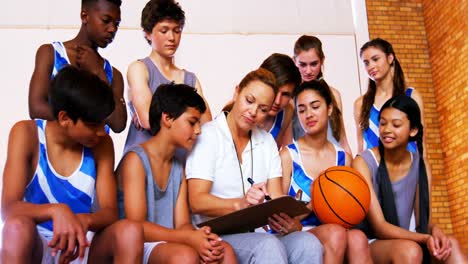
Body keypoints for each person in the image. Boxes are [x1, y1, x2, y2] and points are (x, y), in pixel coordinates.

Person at [1, 66, 143, 263]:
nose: (102, 132)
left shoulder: (101, 144)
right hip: (38, 243)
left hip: (82, 244)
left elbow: (110, 212)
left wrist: (85, 220)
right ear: (64, 118)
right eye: (94, 125)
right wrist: (56, 210)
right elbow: (8, 208)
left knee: (131, 231)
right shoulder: (26, 133)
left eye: (103, 124)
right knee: (16, 227)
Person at [186, 68, 323, 264]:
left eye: (263, 109)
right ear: (236, 92)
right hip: (216, 233)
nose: (253, 112)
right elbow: (197, 201)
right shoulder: (208, 136)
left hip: (260, 234)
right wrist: (240, 203)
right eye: (249, 101)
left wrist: (292, 216)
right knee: (267, 245)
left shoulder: (267, 142)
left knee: (308, 243)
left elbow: (275, 197)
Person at [116, 83, 237, 264]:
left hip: (169, 240)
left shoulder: (178, 167)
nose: (198, 130)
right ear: (168, 118)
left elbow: (182, 224)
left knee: (223, 250)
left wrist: (201, 239)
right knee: (185, 257)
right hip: (135, 243)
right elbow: (137, 227)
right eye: (192, 122)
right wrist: (189, 239)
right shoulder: (135, 160)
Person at [352, 95, 466, 263]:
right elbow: (379, 227)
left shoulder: (421, 165)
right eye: (382, 123)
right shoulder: (363, 162)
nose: (386, 130)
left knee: (452, 245)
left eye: (396, 124)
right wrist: (425, 239)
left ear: (413, 130)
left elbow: (424, 221)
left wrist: (435, 231)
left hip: (411, 239)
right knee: (410, 251)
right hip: (375, 242)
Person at [280, 80, 372, 264]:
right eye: (302, 109)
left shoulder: (343, 158)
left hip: (336, 229)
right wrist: (317, 201)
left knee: (358, 238)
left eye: (315, 106)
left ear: (329, 109)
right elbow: (280, 213)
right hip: (299, 231)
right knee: (336, 233)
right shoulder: (288, 155)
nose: (309, 115)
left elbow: (351, 208)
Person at [124, 0, 212, 154]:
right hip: (141, 161)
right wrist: (187, 121)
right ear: (148, 33)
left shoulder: (190, 79)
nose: (172, 37)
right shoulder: (139, 68)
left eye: (177, 30)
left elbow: (206, 126)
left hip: (176, 164)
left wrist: (161, 115)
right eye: (164, 31)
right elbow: (148, 119)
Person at [28, 0, 127, 134]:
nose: (112, 29)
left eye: (116, 24)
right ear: (84, 16)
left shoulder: (114, 75)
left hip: (94, 154)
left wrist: (98, 72)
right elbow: (36, 108)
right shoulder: (50, 53)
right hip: (51, 153)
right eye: (106, 20)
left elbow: (118, 124)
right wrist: (84, 125)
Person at [354, 38, 424, 153]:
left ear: (390, 58)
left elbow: (422, 144)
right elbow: (360, 148)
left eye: (375, 59)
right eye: (366, 63)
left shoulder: (411, 96)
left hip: (409, 167)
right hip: (374, 168)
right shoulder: (360, 104)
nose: (371, 66)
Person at [222, 53, 301, 148]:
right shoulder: (235, 109)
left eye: (285, 94)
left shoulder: (287, 111)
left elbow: (287, 151)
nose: (277, 101)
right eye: (275, 91)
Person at [293, 35, 352, 155]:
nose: (308, 71)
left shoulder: (333, 95)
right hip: (302, 165)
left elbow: (342, 138)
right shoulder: (290, 97)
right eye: (303, 65)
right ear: (294, 61)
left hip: (333, 163)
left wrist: (351, 168)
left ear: (322, 60)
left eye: (314, 64)